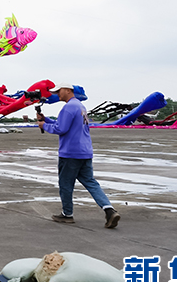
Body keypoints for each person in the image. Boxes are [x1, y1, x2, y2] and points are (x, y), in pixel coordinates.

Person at [37, 82, 120, 229]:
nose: (57, 94)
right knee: (91, 182)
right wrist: (47, 119)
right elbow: (68, 125)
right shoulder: (80, 106)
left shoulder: (68, 107)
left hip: (70, 153)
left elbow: (61, 129)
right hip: (85, 151)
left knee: (66, 184)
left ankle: (67, 214)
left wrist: (44, 126)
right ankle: (109, 210)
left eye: (59, 91)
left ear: (68, 90)